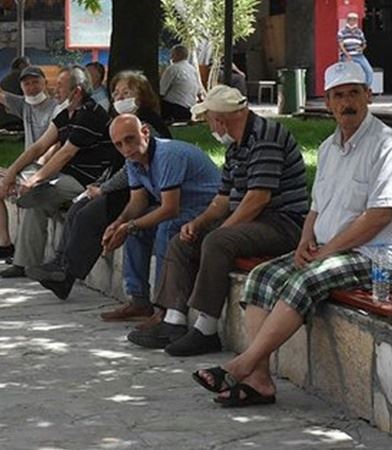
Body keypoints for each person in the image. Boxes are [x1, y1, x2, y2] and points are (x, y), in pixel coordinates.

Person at [193, 61, 392, 408]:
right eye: (338, 96)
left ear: (368, 97)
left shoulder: (385, 145)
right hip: (328, 248)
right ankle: (260, 381)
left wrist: (328, 250)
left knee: (304, 281)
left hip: (372, 255)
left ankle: (242, 364)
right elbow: (315, 207)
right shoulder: (330, 148)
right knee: (261, 277)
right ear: (328, 103)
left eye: (354, 94)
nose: (347, 103)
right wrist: (305, 242)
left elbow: (379, 215)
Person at [129, 85, 309, 356]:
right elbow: (222, 199)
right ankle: (174, 320)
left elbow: (257, 198)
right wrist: (198, 224)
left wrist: (221, 229)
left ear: (220, 119)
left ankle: (206, 328)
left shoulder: (266, 137)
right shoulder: (235, 147)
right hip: (255, 220)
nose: (209, 126)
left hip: (283, 222)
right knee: (182, 238)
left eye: (209, 119)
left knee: (218, 241)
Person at [27, 70, 174, 303]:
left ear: (141, 95)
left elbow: (133, 166)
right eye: (116, 92)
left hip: (144, 190)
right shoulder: (118, 120)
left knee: (90, 215)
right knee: (77, 209)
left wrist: (104, 189)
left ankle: (66, 274)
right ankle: (61, 266)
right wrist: (99, 184)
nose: (119, 97)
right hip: (123, 185)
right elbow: (116, 161)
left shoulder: (146, 122)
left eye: (127, 92)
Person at [0, 65, 121, 279]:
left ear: (78, 91)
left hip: (87, 181)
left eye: (61, 86)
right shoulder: (66, 114)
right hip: (67, 177)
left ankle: (31, 197)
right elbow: (39, 146)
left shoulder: (90, 113)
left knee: (37, 194)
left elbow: (65, 153)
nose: (56, 90)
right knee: (35, 203)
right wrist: (12, 171)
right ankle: (24, 264)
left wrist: (34, 180)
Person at [95, 115, 219, 317]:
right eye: (119, 144)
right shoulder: (134, 160)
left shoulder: (167, 155)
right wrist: (119, 224)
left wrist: (129, 226)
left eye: (130, 139)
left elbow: (170, 209)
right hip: (183, 208)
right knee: (135, 230)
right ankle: (139, 300)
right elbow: (138, 202)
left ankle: (163, 308)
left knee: (166, 228)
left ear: (145, 132)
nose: (126, 149)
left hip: (207, 210)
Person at [0, 45, 58, 260]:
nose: (32, 87)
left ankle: (27, 256)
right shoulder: (24, 105)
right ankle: (4, 243)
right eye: (27, 83)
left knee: (29, 199)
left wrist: (38, 170)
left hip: (47, 169)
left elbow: (56, 145)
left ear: (45, 83)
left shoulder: (55, 108)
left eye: (36, 82)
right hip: (27, 168)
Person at [160, 44, 203, 123]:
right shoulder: (192, 69)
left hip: (173, 107)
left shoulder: (172, 69)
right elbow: (199, 91)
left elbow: (161, 91)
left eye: (172, 54)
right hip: (189, 108)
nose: (171, 57)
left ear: (177, 55)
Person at [0, 55, 29, 130]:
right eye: (29, 64)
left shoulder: (6, 79)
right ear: (22, 66)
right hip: (12, 122)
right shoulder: (22, 78)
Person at [338, 12, 374, 88]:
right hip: (346, 55)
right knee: (346, 74)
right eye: (351, 19)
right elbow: (341, 45)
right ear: (348, 20)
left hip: (359, 55)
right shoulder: (342, 32)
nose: (353, 21)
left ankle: (365, 89)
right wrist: (347, 55)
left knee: (369, 71)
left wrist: (361, 48)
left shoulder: (359, 32)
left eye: (355, 20)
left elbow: (364, 43)